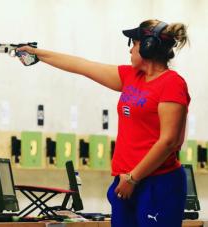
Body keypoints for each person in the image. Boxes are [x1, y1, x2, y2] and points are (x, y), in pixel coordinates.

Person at [17, 19, 190, 227]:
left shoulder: (172, 83)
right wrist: (38, 54)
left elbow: (169, 141)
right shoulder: (130, 76)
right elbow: (83, 66)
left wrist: (133, 178)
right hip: (124, 182)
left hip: (156, 183)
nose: (130, 51)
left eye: (133, 44)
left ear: (147, 46)